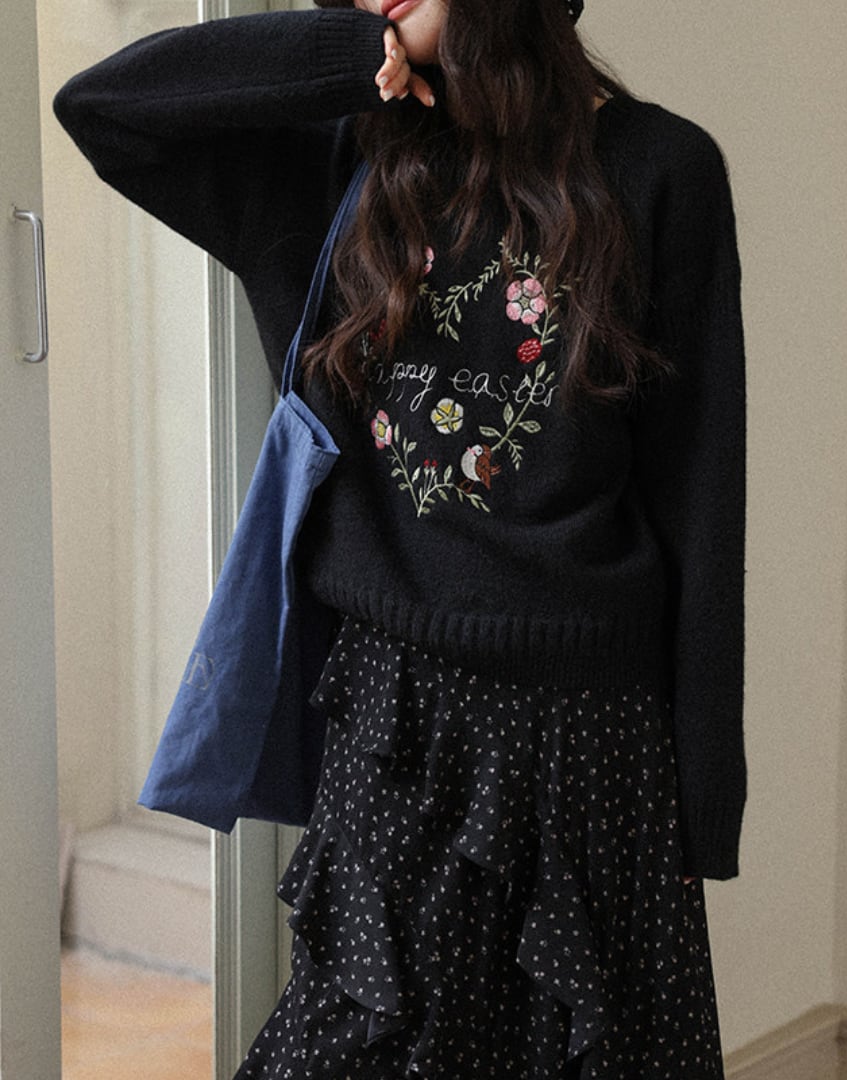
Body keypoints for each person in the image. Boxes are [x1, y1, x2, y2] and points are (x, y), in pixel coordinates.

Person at [54, 0, 746, 1075]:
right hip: (394, 730)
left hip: (593, 747)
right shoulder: (342, 164)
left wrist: (703, 795)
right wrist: (347, 51)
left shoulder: (662, 168)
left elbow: (700, 490)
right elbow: (106, 108)